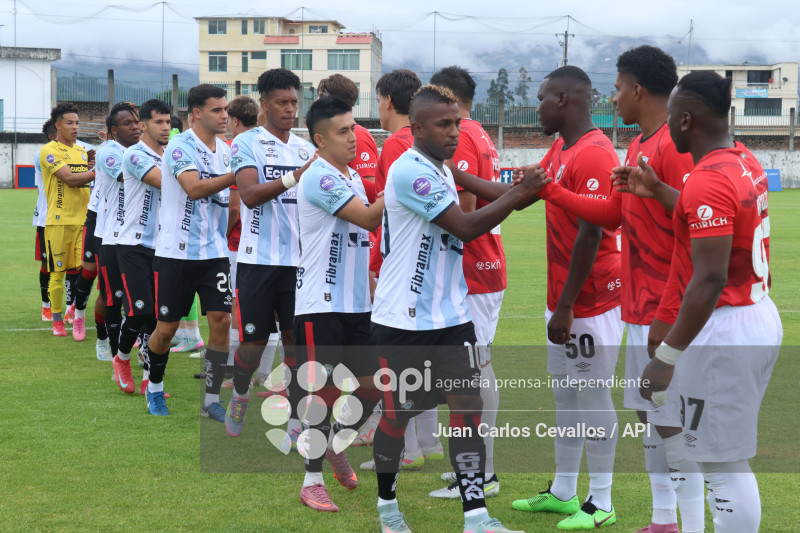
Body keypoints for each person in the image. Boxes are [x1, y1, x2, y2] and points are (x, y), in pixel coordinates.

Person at [522, 47, 704, 533]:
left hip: (650, 303)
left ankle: (613, 503)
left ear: (638, 89)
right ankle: (660, 517)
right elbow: (612, 214)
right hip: (638, 303)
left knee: (670, 421)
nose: (614, 96)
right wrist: (549, 191)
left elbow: (691, 218)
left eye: (619, 87)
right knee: (647, 415)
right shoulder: (636, 147)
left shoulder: (665, 144)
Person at [371, 84, 543, 533]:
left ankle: (477, 517)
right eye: (443, 125)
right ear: (416, 128)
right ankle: (388, 509)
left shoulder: (441, 167)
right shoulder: (411, 171)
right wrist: (518, 196)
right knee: (397, 415)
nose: (453, 132)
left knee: (467, 412)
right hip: (402, 320)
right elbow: (466, 227)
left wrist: (519, 185)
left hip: (452, 318)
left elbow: (481, 188)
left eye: (457, 123)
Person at [623, 70, 781, 533]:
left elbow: (708, 278)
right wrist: (658, 191)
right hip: (751, 314)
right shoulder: (743, 160)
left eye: (671, 116)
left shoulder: (709, 177)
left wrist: (667, 356)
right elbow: (704, 215)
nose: (667, 125)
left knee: (722, 462)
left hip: (724, 326)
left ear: (686, 119)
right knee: (717, 455)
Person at [509, 66, 623, 530]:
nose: (535, 107)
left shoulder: (595, 154)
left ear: (562, 98)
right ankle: (562, 491)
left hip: (589, 300)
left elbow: (592, 234)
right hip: (563, 296)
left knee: (593, 396)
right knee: (566, 397)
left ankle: (602, 502)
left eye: (539, 99)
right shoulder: (561, 148)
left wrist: (567, 305)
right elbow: (523, 197)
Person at [287, 96, 386, 512]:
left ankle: (334, 442)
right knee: (321, 394)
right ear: (319, 139)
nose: (354, 138)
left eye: (354, 129)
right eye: (344, 132)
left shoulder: (353, 178)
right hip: (320, 305)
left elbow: (360, 242)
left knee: (374, 385)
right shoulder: (320, 177)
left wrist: (372, 292)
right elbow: (367, 219)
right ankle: (311, 482)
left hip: (357, 305)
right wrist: (403, 184)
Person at [428, 65, 506, 500]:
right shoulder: (479, 133)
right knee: (472, 370)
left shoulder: (463, 136)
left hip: (475, 268)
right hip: (480, 269)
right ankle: (473, 465)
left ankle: (483, 473)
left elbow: (466, 205)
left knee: (474, 372)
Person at [225, 69, 314, 445]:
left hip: (299, 265)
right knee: (253, 344)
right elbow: (249, 195)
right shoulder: (246, 144)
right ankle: (241, 394)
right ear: (264, 104)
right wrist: (295, 177)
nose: (291, 109)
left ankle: (295, 420)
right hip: (257, 262)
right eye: (282, 102)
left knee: (296, 344)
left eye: (294, 101)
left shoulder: (307, 148)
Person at [144, 84, 235, 417]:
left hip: (214, 255)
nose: (224, 115)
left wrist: (218, 240)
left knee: (222, 321)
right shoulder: (180, 146)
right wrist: (235, 176)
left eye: (225, 109)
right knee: (166, 329)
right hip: (175, 254)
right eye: (216, 110)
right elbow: (194, 188)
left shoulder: (226, 150)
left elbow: (234, 205)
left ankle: (211, 400)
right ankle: (154, 388)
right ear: (196, 113)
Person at [360, 69, 426, 466]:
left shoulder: (397, 145)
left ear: (385, 101)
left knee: (398, 360)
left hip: (399, 266)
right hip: (422, 265)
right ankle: (422, 444)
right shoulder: (420, 141)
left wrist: (375, 265)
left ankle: (405, 447)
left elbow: (385, 217)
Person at [115, 98, 171, 396]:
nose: (165, 127)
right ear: (143, 125)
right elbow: (162, 181)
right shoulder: (136, 155)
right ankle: (122, 358)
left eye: (168, 121)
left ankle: (150, 376)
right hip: (133, 244)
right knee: (140, 311)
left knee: (159, 316)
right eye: (158, 121)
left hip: (163, 246)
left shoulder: (173, 154)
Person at [95, 102, 142, 390]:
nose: (135, 126)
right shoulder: (108, 151)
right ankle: (116, 358)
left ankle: (143, 361)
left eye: (137, 122)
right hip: (111, 237)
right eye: (127, 123)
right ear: (113, 131)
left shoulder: (144, 151)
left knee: (141, 304)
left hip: (140, 238)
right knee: (113, 299)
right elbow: (129, 176)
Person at [39, 102, 95, 337]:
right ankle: (57, 320)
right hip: (58, 221)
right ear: (58, 125)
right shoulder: (49, 151)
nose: (75, 127)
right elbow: (71, 179)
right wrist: (96, 170)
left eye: (77, 123)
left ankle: (74, 308)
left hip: (84, 221)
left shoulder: (82, 151)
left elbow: (84, 176)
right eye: (70, 123)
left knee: (89, 269)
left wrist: (91, 164)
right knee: (58, 274)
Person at [220, 95, 258, 387]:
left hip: (239, 242)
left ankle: (234, 369)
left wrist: (222, 236)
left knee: (237, 302)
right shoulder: (265, 142)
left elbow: (234, 206)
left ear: (234, 121)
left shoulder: (239, 147)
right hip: (265, 241)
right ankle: (268, 374)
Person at [33, 120, 58, 321]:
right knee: (47, 264)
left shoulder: (77, 150)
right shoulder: (43, 155)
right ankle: (46, 305)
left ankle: (71, 309)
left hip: (71, 218)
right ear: (52, 135)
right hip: (46, 219)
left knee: (75, 266)